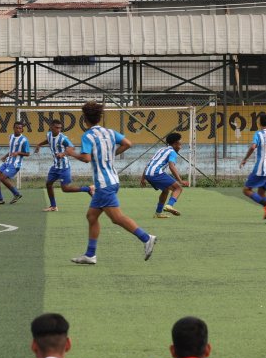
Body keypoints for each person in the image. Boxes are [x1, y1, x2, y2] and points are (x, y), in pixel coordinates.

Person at [65, 101, 157, 265]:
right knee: (92, 216)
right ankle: (90, 254)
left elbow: (86, 158)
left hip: (103, 184)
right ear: (99, 117)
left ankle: (146, 238)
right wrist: (111, 154)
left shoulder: (87, 136)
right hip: (113, 180)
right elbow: (128, 143)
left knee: (117, 218)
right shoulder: (109, 132)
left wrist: (71, 153)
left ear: (84, 118)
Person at [38, 119, 93, 212]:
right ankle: (53, 206)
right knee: (48, 184)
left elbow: (72, 147)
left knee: (65, 189)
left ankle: (88, 189)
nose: (58, 130)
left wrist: (62, 154)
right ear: (51, 127)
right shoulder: (49, 134)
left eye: (60, 128)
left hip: (64, 167)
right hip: (55, 166)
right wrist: (39, 144)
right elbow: (48, 140)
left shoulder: (62, 138)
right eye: (56, 128)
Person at [239, 113, 266, 225]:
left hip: (261, 167)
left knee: (246, 190)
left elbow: (253, 146)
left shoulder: (258, 134)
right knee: (261, 192)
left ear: (259, 123)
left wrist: (245, 159)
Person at [142, 133, 186, 219]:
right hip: (156, 173)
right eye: (180, 144)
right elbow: (171, 166)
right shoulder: (172, 152)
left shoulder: (161, 150)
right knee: (178, 188)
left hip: (148, 173)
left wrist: (143, 178)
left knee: (165, 190)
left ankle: (158, 213)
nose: (181, 146)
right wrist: (180, 180)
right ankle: (169, 205)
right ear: (175, 143)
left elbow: (149, 163)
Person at [0, 122, 30, 205]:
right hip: (7, 162)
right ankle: (0, 199)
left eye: (20, 128)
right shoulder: (11, 136)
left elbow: (27, 153)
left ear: (22, 129)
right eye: (17, 128)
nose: (18, 130)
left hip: (15, 164)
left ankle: (16, 194)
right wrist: (5, 156)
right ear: (13, 128)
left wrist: (18, 153)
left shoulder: (24, 140)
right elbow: (11, 150)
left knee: (3, 177)